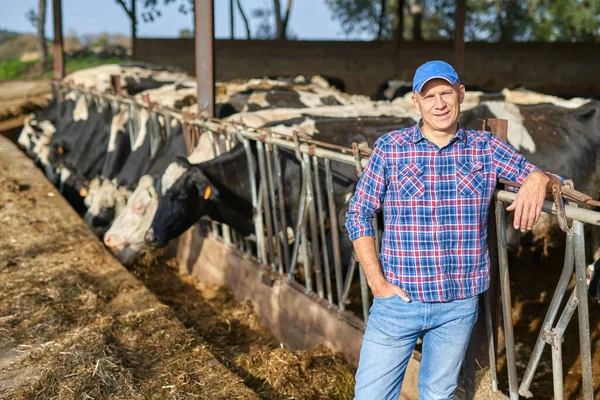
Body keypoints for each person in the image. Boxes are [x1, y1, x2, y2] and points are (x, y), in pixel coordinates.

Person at [345, 60, 562, 400]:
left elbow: (550, 179)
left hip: (458, 305)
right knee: (371, 395)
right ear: (415, 101)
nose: (439, 103)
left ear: (461, 94)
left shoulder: (485, 148)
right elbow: (358, 212)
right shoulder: (391, 147)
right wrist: (376, 281)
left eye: (446, 92)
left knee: (439, 394)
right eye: (428, 96)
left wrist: (539, 178)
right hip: (399, 299)